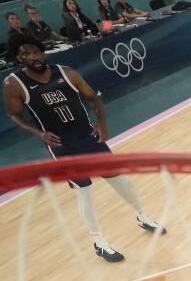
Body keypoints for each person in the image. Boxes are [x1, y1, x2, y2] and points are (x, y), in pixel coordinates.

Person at [3, 37, 166, 263]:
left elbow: (93, 98)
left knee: (118, 179)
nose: (33, 57)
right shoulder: (14, 83)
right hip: (62, 145)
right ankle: (98, 241)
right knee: (85, 190)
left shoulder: (66, 72)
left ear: (43, 52)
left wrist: (101, 122)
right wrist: (39, 133)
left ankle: (143, 216)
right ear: (19, 58)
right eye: (26, 54)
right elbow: (13, 114)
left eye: (36, 52)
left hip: (88, 136)